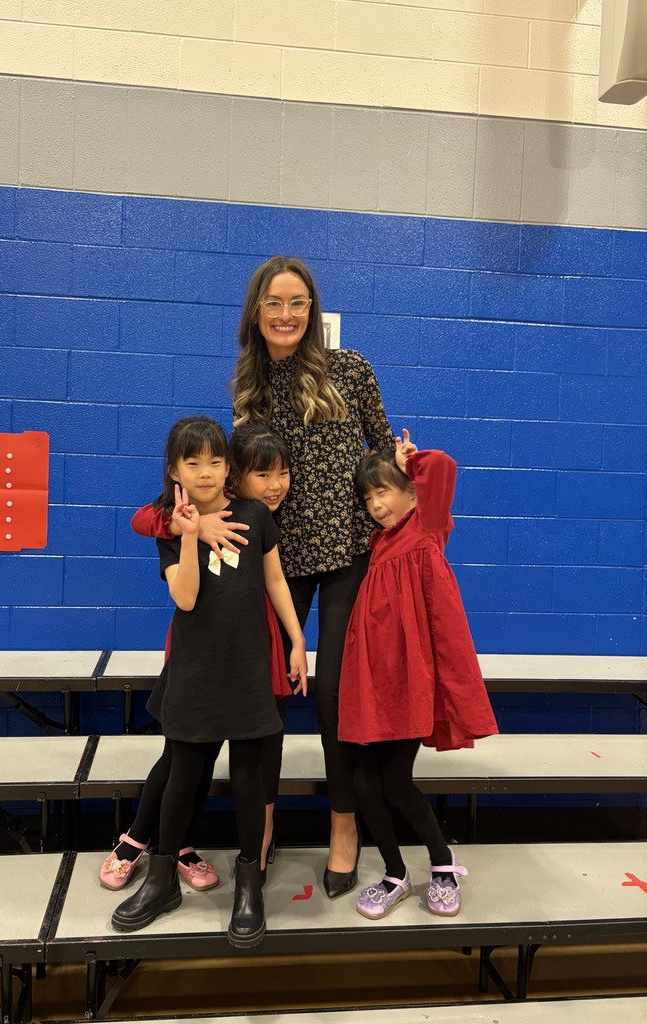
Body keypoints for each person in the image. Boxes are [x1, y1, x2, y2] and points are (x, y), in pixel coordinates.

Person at [231, 256, 394, 898]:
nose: (286, 314)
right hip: (281, 558)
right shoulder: (249, 388)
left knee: (334, 694)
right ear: (257, 311)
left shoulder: (350, 368)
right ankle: (262, 829)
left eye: (298, 303)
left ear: (312, 310)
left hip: (351, 549)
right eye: (275, 302)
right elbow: (245, 482)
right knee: (270, 693)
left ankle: (345, 829)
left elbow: (381, 447)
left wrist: (398, 462)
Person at [111, 417, 307, 948]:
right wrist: (190, 534)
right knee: (183, 777)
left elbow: (274, 580)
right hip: (196, 673)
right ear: (173, 469)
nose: (206, 472)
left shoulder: (255, 516)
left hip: (249, 672)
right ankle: (161, 880)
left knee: (249, 780)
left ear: (230, 467)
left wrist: (296, 641)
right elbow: (187, 599)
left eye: (216, 461)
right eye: (192, 462)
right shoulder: (171, 526)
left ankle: (250, 885)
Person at [338, 432, 498, 920]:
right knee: (362, 781)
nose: (376, 504)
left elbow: (445, 467)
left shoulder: (427, 528)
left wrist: (413, 461)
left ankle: (443, 864)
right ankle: (394, 873)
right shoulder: (379, 544)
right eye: (368, 497)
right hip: (372, 678)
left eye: (384, 490)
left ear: (411, 491)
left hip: (410, 681)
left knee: (395, 780)